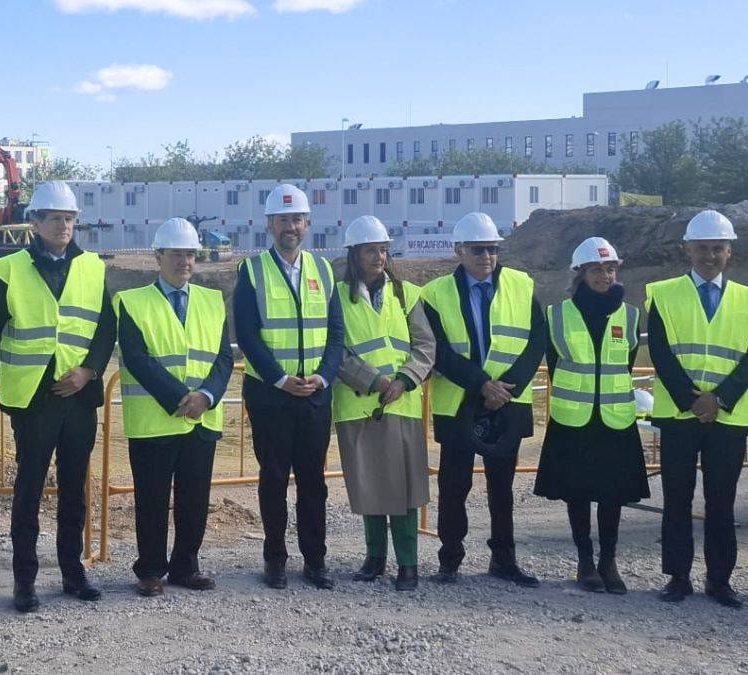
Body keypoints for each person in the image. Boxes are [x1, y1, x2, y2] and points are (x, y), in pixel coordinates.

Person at [0, 181, 115, 612]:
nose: (63, 225)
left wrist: (89, 371)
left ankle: (73, 573)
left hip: (78, 395)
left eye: (70, 218)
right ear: (35, 223)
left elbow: (105, 327)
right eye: (55, 218)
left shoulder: (93, 267)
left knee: (75, 488)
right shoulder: (9, 269)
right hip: (34, 398)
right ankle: (25, 582)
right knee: (30, 489)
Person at [646, 209, 748, 609]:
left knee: (721, 500)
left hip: (728, 418)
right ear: (687, 250)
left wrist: (720, 399)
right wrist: (693, 400)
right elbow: (661, 353)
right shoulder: (662, 293)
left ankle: (720, 581)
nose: (709, 256)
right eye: (702, 249)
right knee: (677, 498)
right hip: (680, 416)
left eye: (717, 249)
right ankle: (678, 577)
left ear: (729, 252)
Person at [422, 212, 546, 587]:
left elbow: (535, 340)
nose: (486, 257)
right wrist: (481, 385)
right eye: (478, 250)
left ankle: (504, 560)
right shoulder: (436, 293)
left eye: (492, 249)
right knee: (454, 486)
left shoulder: (521, 286)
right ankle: (450, 560)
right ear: (459, 250)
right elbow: (438, 351)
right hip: (460, 402)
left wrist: (506, 387)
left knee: (502, 487)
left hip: (507, 403)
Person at [233, 184, 344, 590]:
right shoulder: (251, 271)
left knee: (314, 481)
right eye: (283, 220)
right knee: (274, 478)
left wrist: (324, 376)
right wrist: (280, 379)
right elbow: (247, 333)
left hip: (315, 394)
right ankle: (275, 559)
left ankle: (315, 561)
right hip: (270, 395)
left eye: (297, 219)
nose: (290, 227)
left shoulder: (324, 270)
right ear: (269, 225)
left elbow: (336, 335)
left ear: (308, 224)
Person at [115, 218, 233, 597]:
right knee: (151, 498)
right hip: (155, 420)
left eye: (190, 254)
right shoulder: (131, 302)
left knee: (194, 497)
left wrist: (207, 397)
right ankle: (150, 569)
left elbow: (222, 359)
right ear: (158, 256)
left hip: (201, 418)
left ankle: (186, 565)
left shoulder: (212, 301)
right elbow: (137, 358)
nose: (184, 261)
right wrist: (180, 398)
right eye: (177, 254)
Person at [534, 237, 648, 595]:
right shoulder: (558, 314)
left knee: (612, 494)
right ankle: (585, 562)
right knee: (578, 493)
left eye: (610, 268)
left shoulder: (629, 316)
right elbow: (554, 365)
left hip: (615, 418)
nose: (604, 275)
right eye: (596, 269)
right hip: (574, 419)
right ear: (580, 273)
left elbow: (626, 364)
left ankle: (608, 562)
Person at [333, 216, 434, 591]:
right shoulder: (336, 296)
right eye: (370, 250)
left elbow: (425, 345)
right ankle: (374, 558)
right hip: (359, 406)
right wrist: (372, 380)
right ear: (354, 254)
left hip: (402, 404)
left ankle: (408, 563)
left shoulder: (407, 293)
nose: (379, 256)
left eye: (383, 249)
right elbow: (335, 350)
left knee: (406, 490)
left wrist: (406, 379)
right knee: (369, 484)